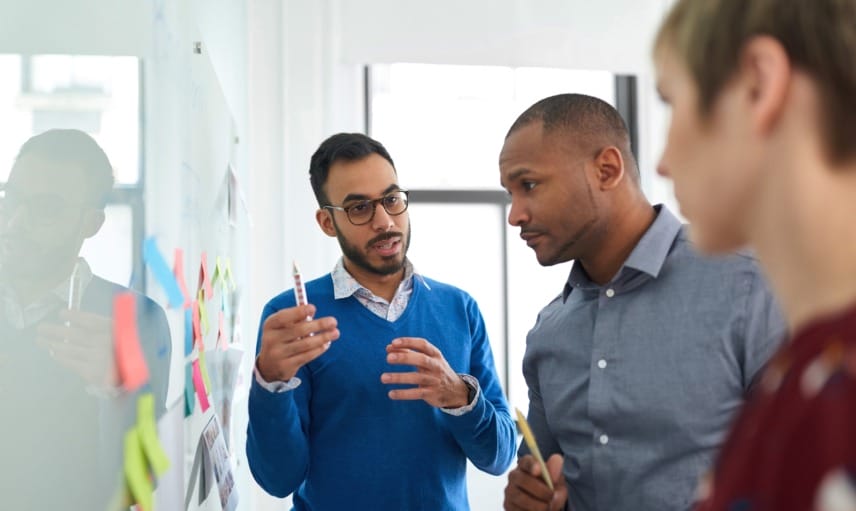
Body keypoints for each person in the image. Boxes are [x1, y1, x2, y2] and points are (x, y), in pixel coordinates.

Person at [498, 94, 786, 511]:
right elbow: (545, 478)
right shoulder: (549, 333)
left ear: (607, 169)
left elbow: (812, 470)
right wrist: (533, 499)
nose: (514, 215)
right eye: (509, 193)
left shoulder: (750, 286)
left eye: (528, 185)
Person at [653, 1, 856, 510]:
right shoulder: (806, 367)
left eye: (671, 101)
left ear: (757, 86)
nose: (662, 162)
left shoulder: (836, 393)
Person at [246, 132, 516, 510]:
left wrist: (459, 395)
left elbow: (500, 455)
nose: (384, 221)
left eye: (391, 200)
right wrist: (270, 381)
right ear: (327, 222)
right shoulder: (292, 320)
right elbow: (278, 479)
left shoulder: (460, 308)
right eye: (359, 208)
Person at [0, 129, 171, 509]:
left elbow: (141, 481)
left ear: (90, 223)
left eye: (46, 208)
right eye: (12, 200)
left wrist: (118, 391)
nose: (15, 222)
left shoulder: (137, 320)